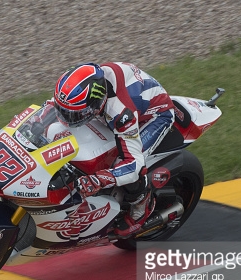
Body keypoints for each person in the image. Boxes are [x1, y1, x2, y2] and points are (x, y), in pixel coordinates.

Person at [52, 62, 175, 238]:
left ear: (96, 104)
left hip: (154, 117)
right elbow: (50, 107)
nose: (66, 119)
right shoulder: (86, 80)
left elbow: (133, 165)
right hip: (132, 97)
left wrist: (98, 180)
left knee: (122, 162)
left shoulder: (120, 113)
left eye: (73, 115)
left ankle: (142, 205)